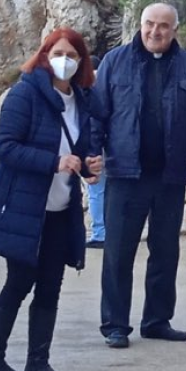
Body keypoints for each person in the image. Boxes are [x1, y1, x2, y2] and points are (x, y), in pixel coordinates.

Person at [0, 28, 102, 371]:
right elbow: (5, 147)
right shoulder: (25, 93)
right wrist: (53, 162)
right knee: (18, 282)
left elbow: (81, 148)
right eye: (57, 52)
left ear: (82, 62)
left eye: (72, 54)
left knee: (51, 285)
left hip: (61, 208)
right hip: (23, 207)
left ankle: (38, 362)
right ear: (44, 56)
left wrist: (89, 165)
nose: (65, 60)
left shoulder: (83, 99)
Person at [91, 2, 186, 349]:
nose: (154, 32)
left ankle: (157, 320)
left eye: (163, 26)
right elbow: (97, 115)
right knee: (118, 252)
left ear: (175, 30)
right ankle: (115, 324)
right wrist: (91, 155)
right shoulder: (115, 62)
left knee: (165, 251)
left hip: (170, 177)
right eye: (149, 24)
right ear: (140, 24)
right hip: (125, 174)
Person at [85, 55, 106, 249]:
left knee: (95, 190)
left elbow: (92, 123)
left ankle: (100, 233)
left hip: (96, 147)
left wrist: (91, 153)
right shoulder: (108, 84)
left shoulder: (88, 89)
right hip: (114, 144)